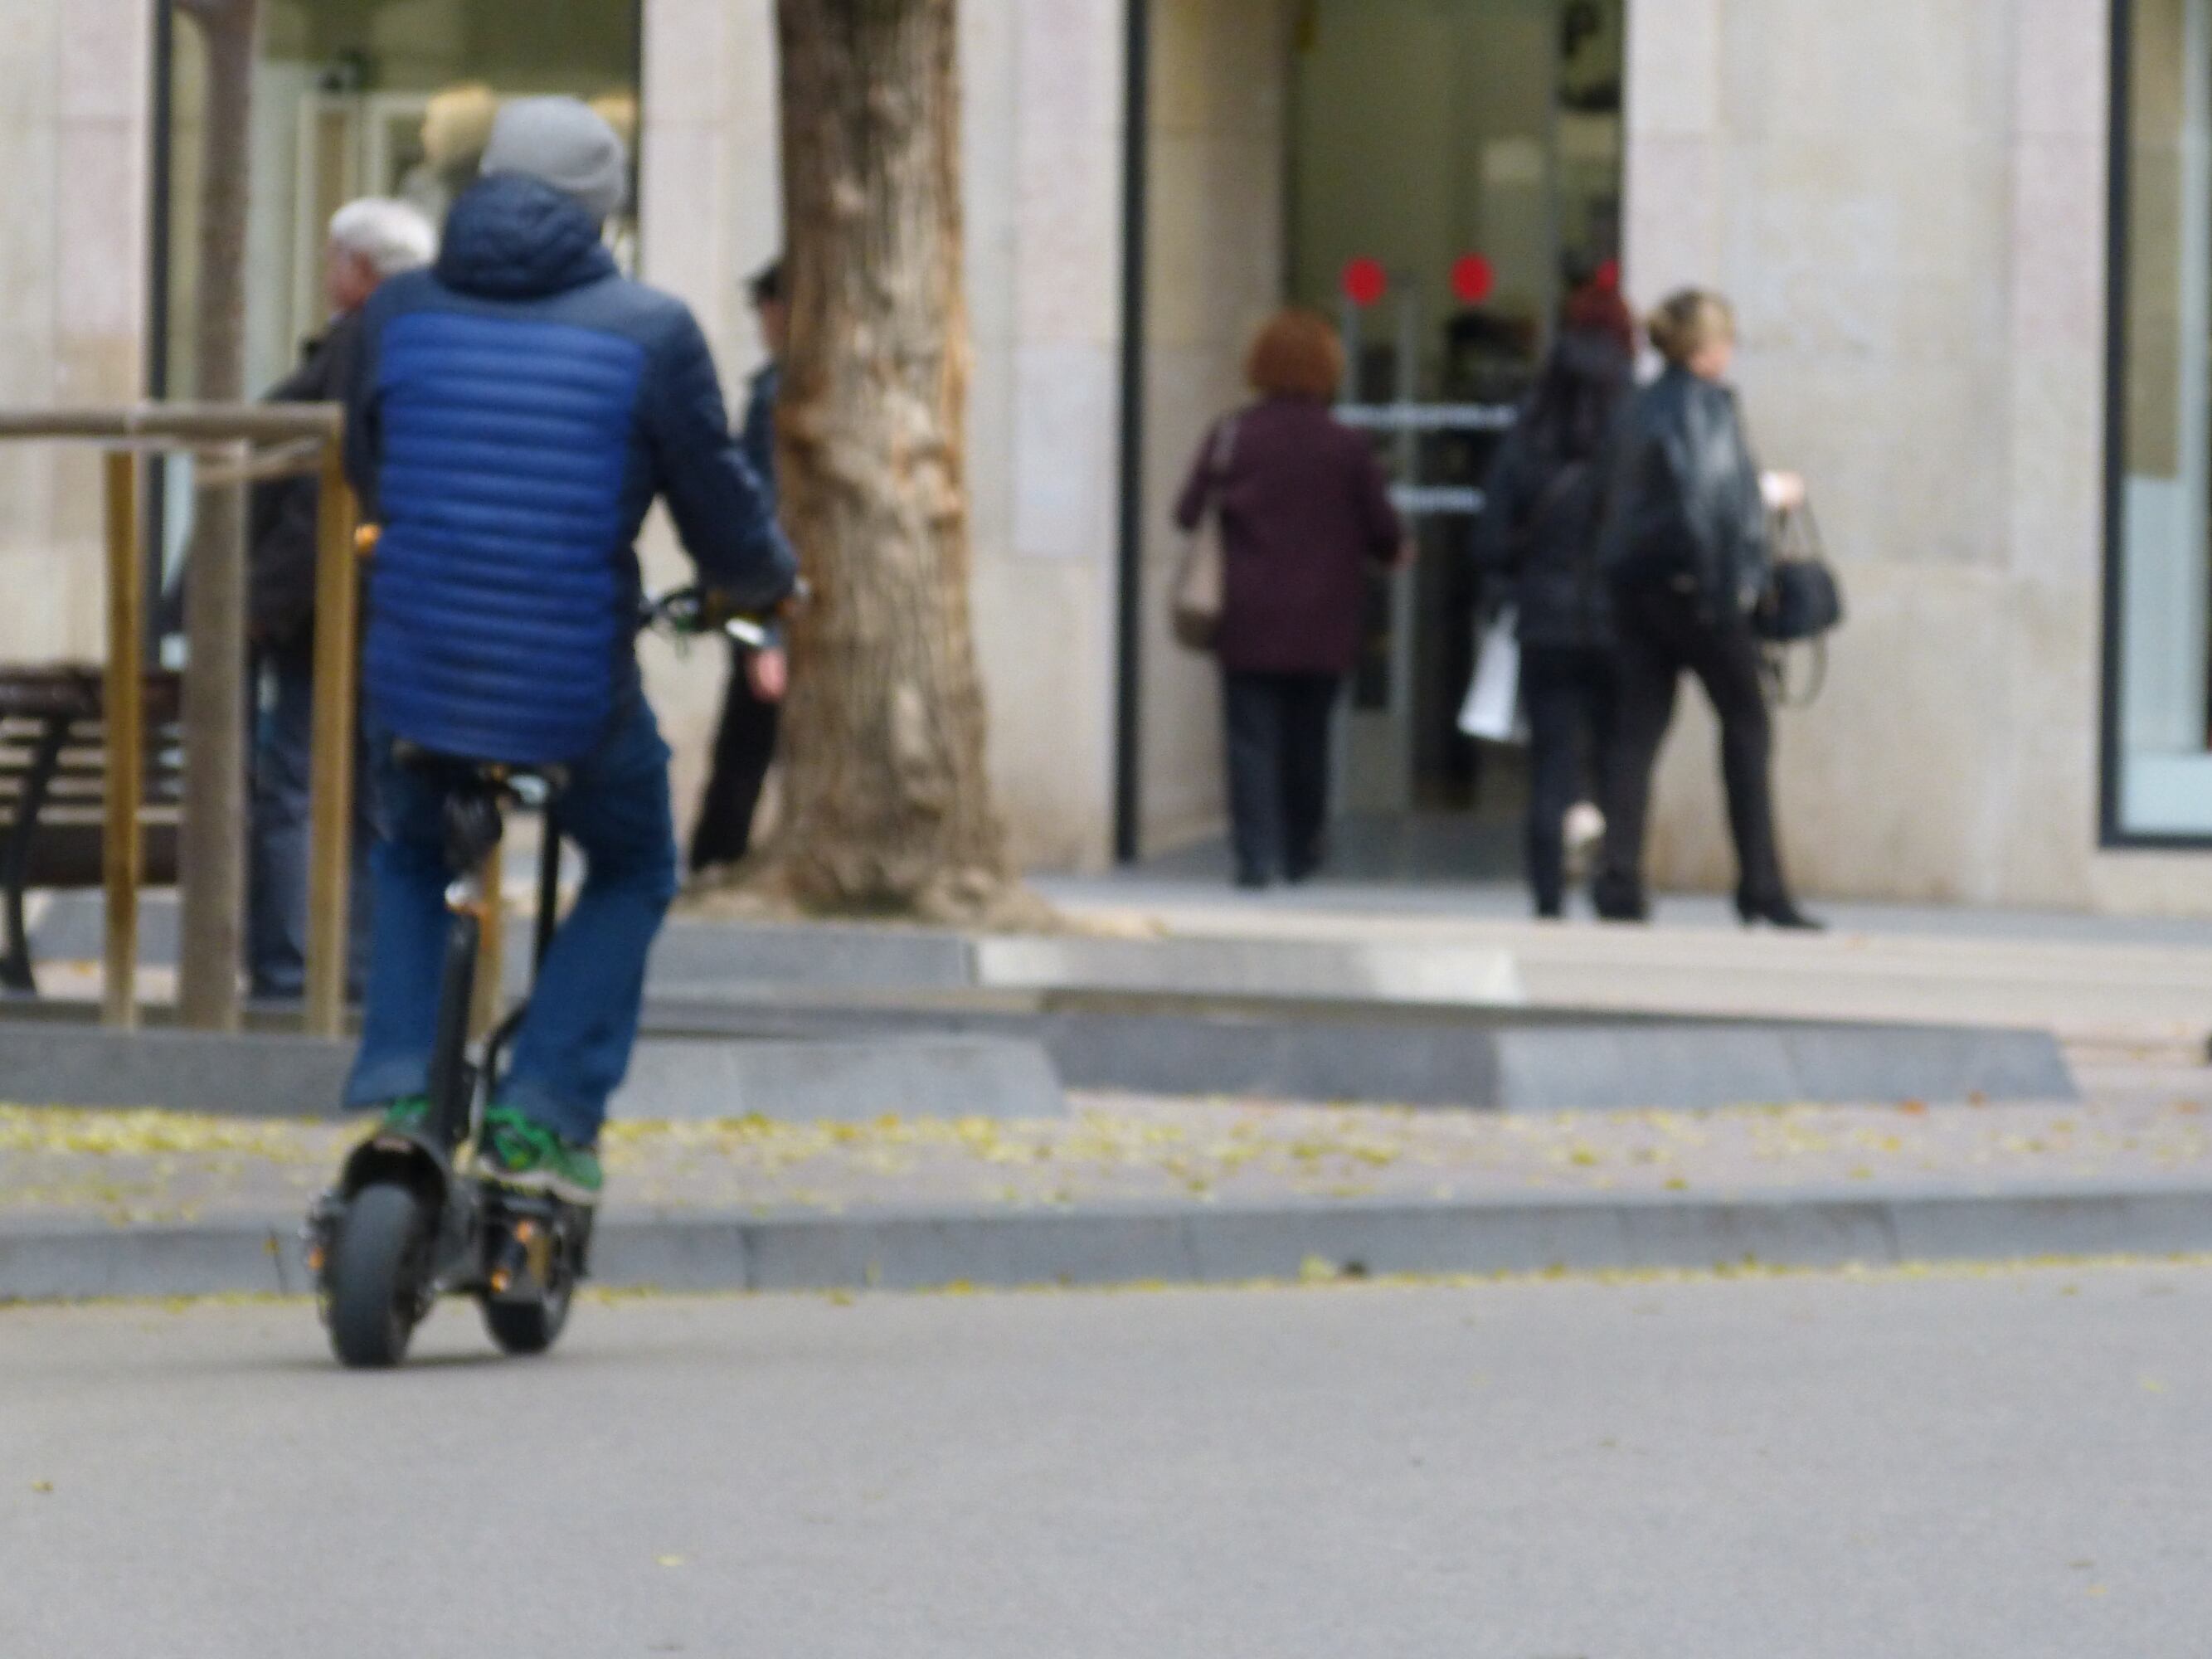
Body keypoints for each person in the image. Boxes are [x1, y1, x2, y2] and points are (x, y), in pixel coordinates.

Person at [342, 97, 797, 1202]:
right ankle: (544, 1114)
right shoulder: (647, 330)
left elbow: (371, 463)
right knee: (636, 863)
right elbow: (718, 510)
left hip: (417, 669)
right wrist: (759, 588)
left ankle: (404, 1088)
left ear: (484, 182)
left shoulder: (395, 311)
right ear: (603, 210)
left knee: (408, 849)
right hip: (567, 686)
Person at [246, 197, 436, 1000]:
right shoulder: (417, 338)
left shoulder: (367, 340)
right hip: (380, 599)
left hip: (336, 605)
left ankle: (299, 966)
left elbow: (323, 497)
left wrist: (259, 606)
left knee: (299, 785)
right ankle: (356, 964)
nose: (327, 273)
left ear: (357, 268)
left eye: (333, 258)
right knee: (363, 791)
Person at [1591, 289, 1818, 930]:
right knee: (1746, 727)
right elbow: (1713, 500)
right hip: (1703, 597)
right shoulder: (1709, 407)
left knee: (1635, 736)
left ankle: (1619, 880)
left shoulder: (1632, 407)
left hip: (1636, 594)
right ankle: (1760, 886)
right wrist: (1767, 497)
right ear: (1706, 349)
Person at [1174, 309, 1405, 890]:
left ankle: (1254, 858)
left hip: (1246, 615)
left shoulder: (1232, 436)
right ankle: (1301, 849)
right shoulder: (1346, 446)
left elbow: (1185, 513)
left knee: (1249, 741)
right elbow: (1385, 533)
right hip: (1325, 620)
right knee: (1309, 740)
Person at [1472, 281, 1636, 920]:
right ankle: (1615, 884)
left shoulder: (1526, 439)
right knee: (1620, 758)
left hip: (1543, 621)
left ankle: (1546, 895)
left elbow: (1488, 540)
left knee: (1551, 762)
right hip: (1619, 621)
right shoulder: (1631, 444)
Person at [689, 260, 793, 873]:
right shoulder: (775, 391)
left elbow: (761, 512)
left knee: (745, 741)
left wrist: (763, 627)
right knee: (747, 739)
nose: (761, 323)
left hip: (768, 596)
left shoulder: (777, 396)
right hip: (770, 597)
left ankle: (714, 856)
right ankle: (715, 856)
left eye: (765, 308)